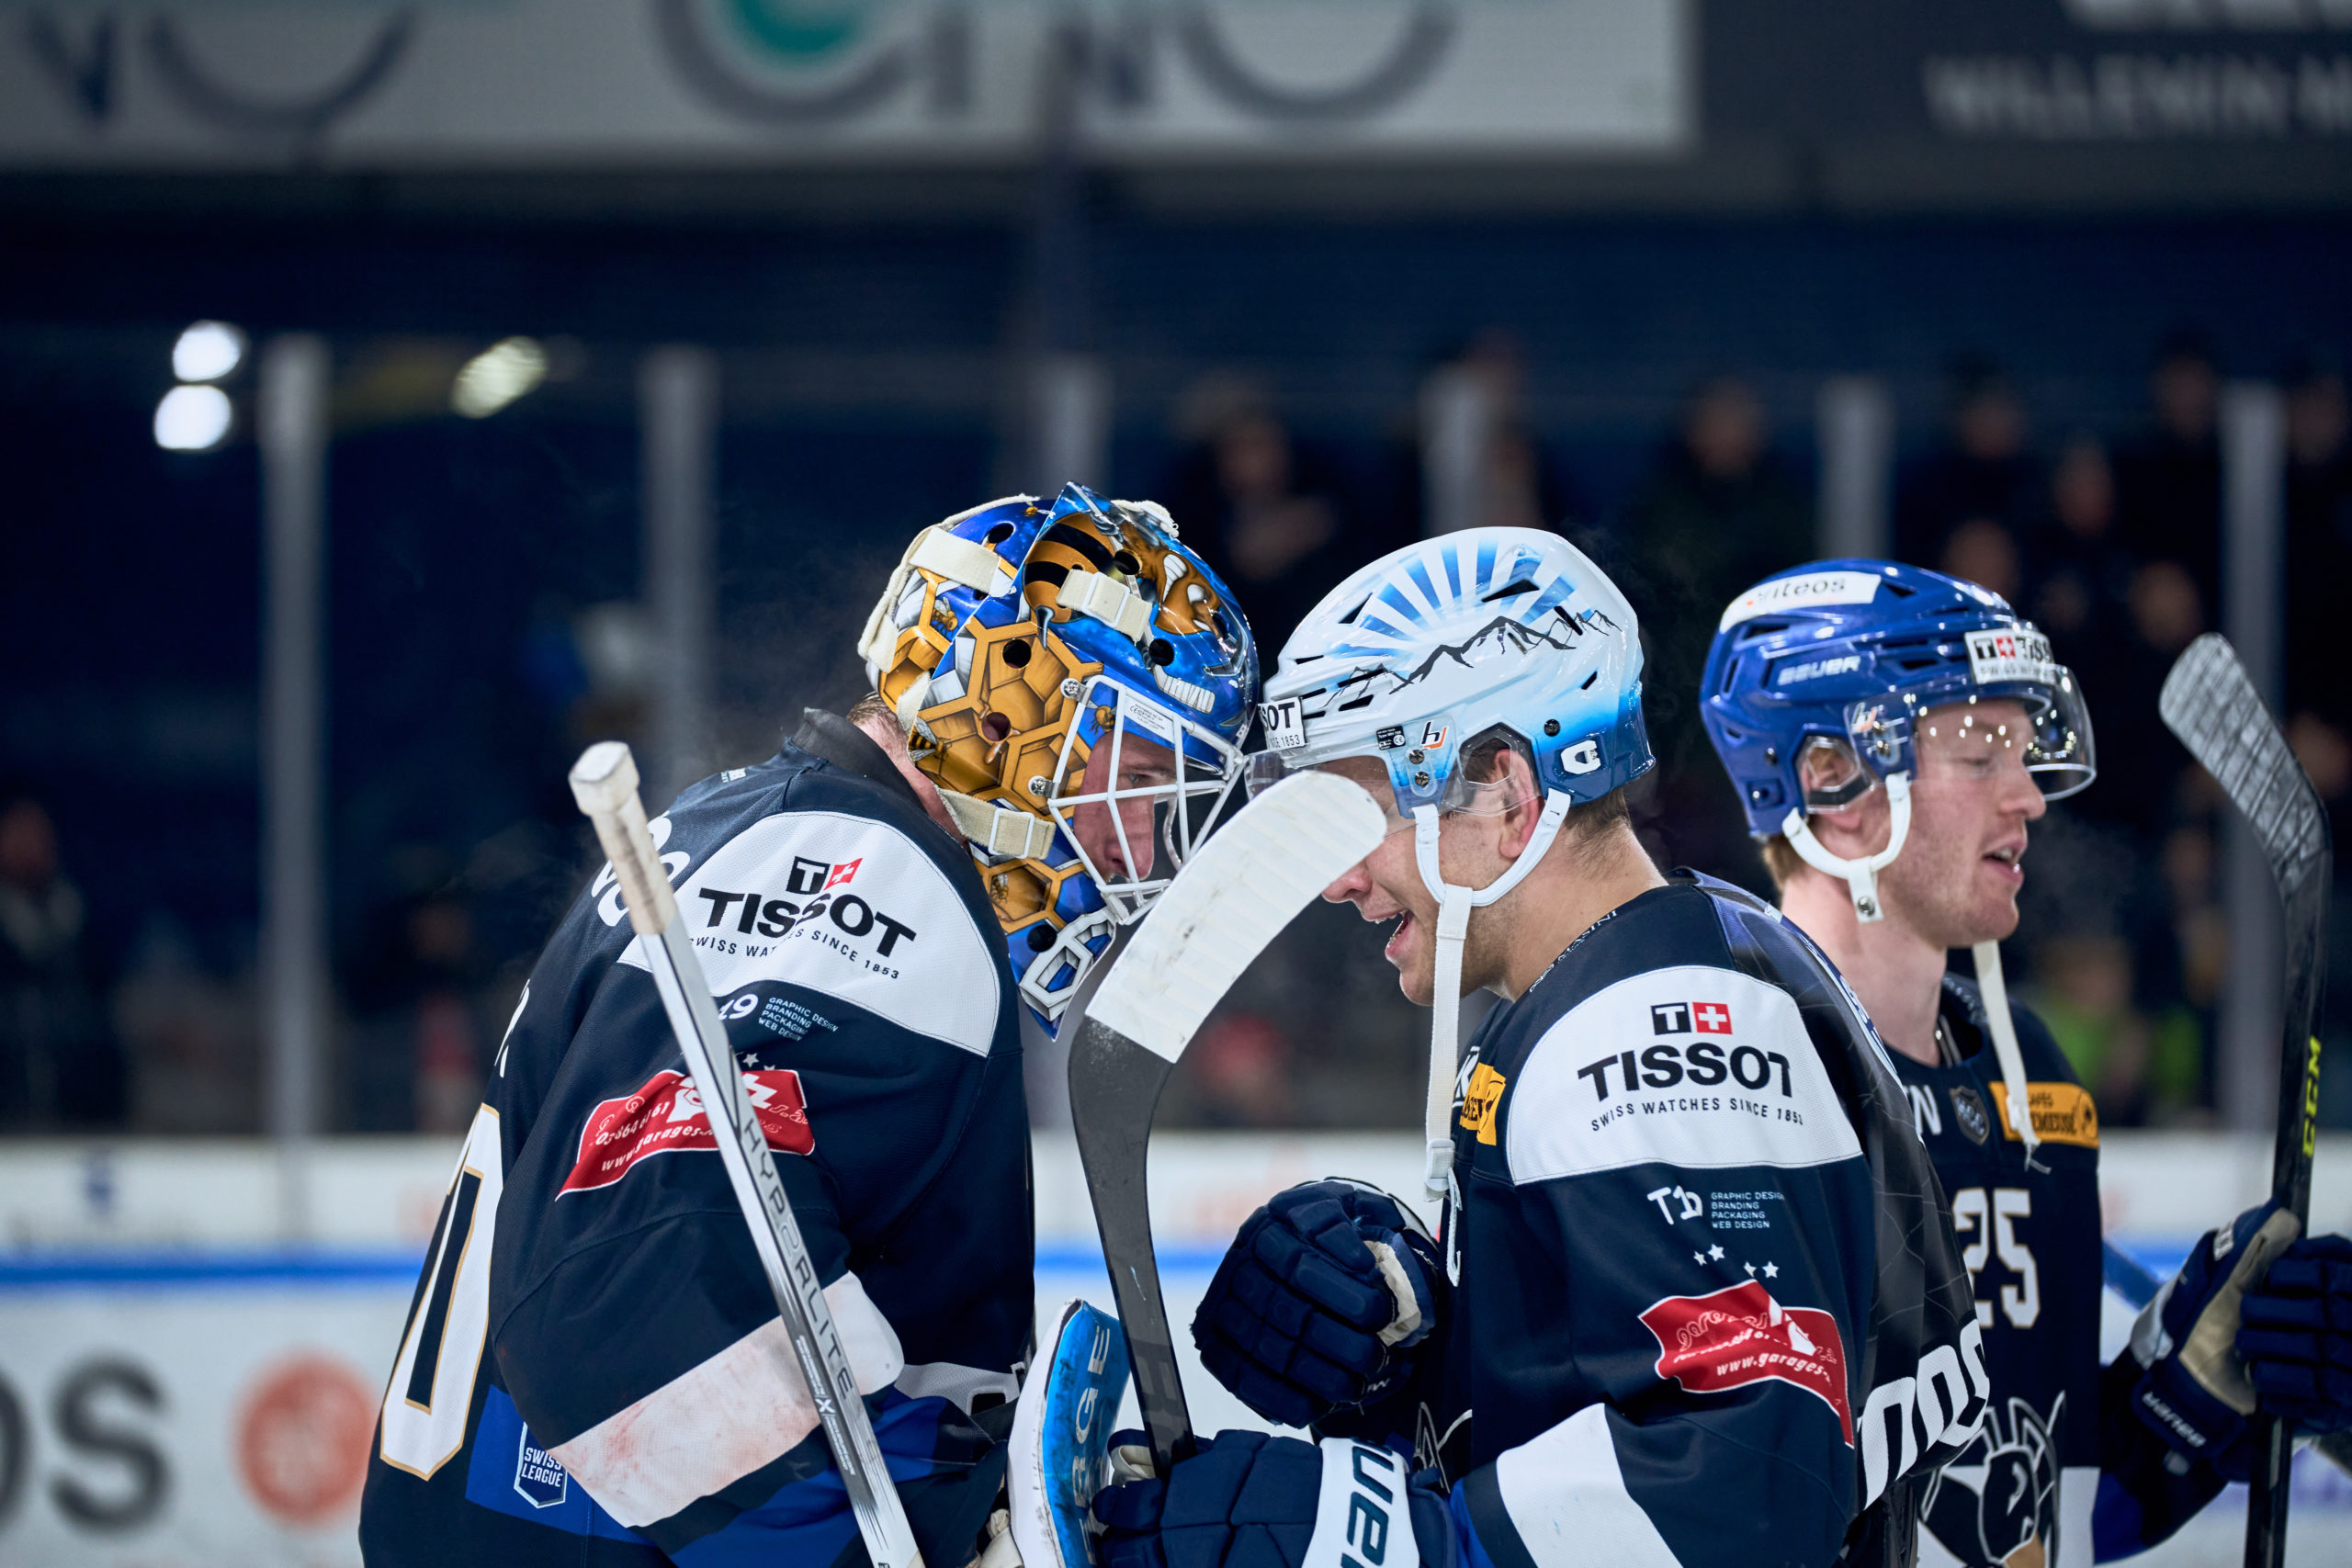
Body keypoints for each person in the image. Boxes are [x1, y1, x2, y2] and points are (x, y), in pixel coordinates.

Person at [358, 484, 1260, 1566]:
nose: (1142, 851)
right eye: (1140, 781)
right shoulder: (864, 875)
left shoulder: (737, 821)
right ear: (1003, 717)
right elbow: (645, 1305)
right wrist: (912, 1541)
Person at [1110, 528, 1987, 1568]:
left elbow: (1746, 1486)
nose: (1335, 879)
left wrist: (1391, 1542)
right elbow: (1642, 1397)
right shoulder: (1662, 968)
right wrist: (1419, 1355)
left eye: (1356, 813)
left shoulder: (1653, 1029)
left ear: (1504, 792)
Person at [1696, 558, 2352, 1566]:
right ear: (1833, 782)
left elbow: (2052, 1501)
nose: (2028, 797)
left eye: (2021, 747)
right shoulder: (1725, 1082)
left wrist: (2195, 1388)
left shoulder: (2026, 1079)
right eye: (1977, 751)